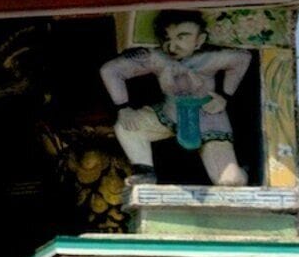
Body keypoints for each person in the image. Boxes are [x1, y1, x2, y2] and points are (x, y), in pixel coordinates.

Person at [103, 12, 250, 185]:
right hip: (170, 115)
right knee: (127, 126)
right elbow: (110, 70)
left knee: (230, 182)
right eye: (167, 38)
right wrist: (123, 108)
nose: (172, 46)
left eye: (182, 37)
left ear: (200, 40)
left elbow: (243, 58)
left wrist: (225, 96)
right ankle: (145, 172)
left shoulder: (212, 58)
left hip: (209, 117)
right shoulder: (156, 58)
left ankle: (241, 172)